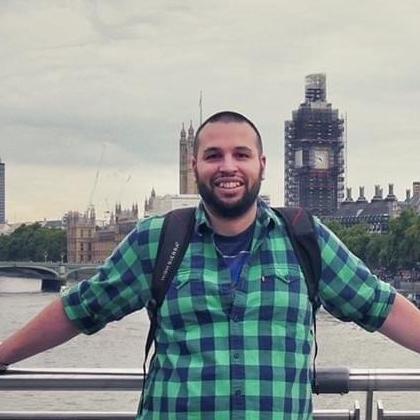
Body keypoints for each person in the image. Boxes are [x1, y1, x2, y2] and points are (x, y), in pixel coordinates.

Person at [1, 111, 420, 419]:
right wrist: (4, 353)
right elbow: (80, 309)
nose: (228, 166)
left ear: (261, 165)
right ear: (195, 165)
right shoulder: (157, 240)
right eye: (213, 155)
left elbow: (379, 305)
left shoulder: (304, 238)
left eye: (241, 154)